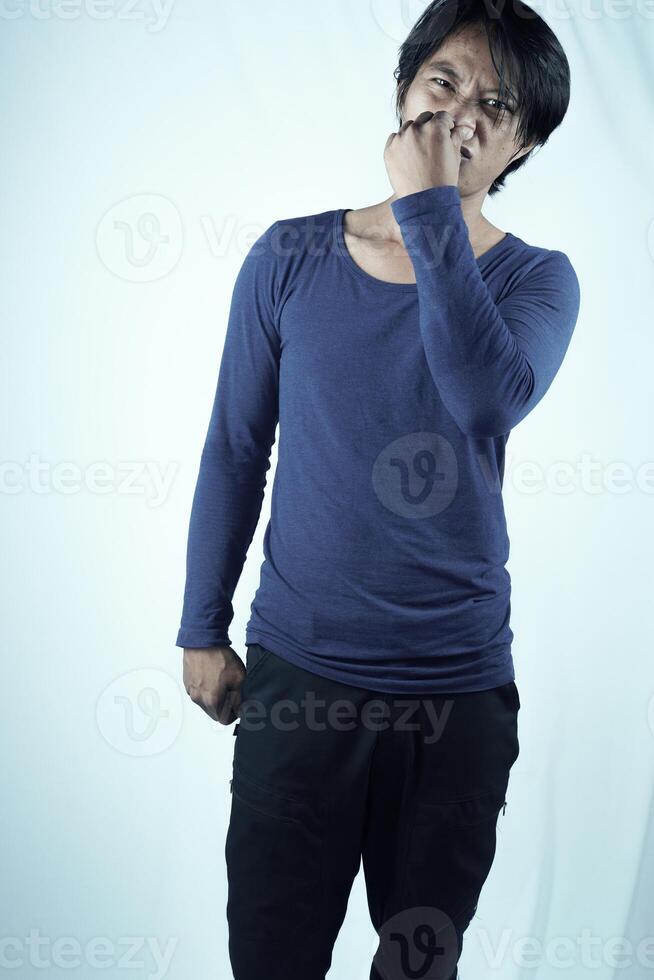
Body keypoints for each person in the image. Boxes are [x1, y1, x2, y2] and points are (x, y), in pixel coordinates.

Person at [176, 0, 581, 976]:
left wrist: (431, 211)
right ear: (404, 89)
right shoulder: (289, 256)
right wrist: (201, 625)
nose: (463, 114)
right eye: (444, 82)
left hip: (455, 695)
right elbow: (237, 446)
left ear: (522, 143)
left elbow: (485, 400)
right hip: (299, 677)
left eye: (498, 105)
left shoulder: (537, 280)